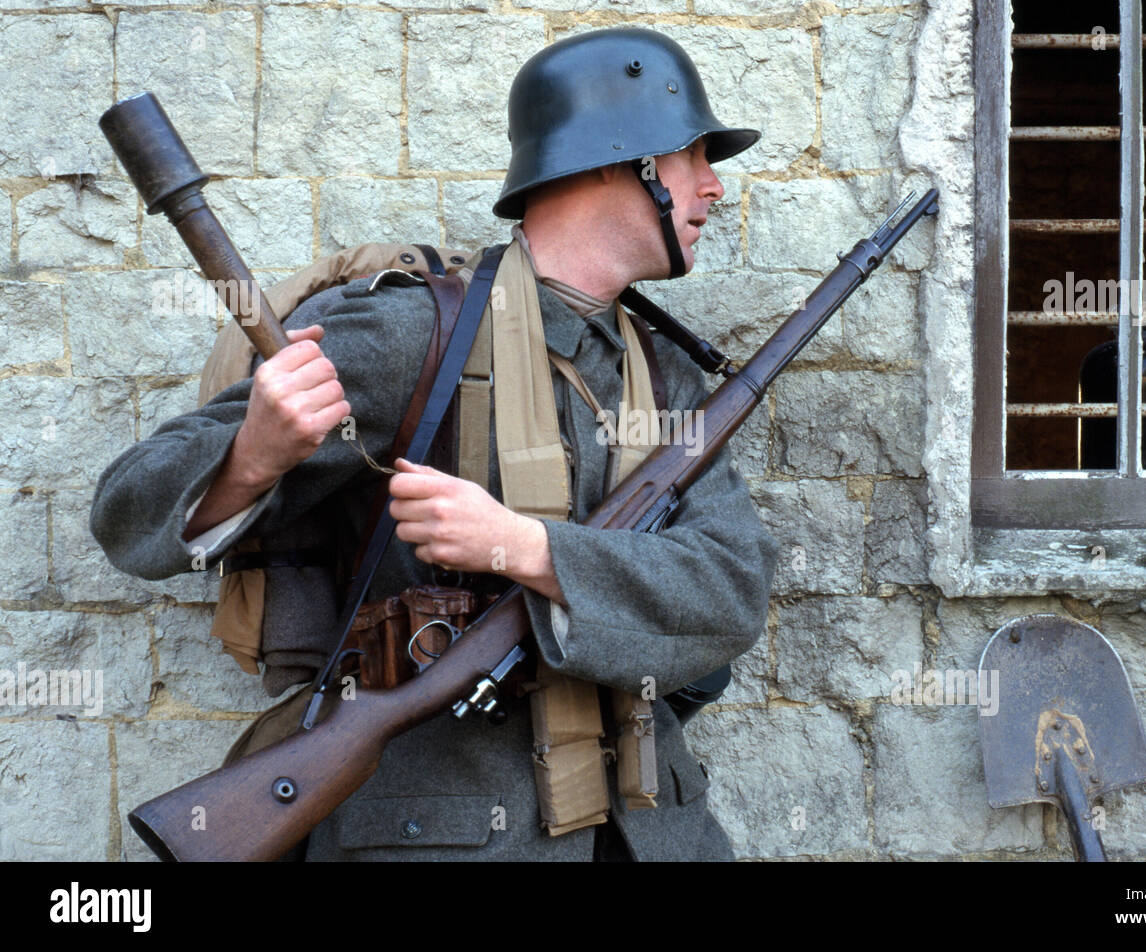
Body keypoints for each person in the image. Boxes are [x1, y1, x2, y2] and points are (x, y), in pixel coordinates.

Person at [91, 26, 778, 861]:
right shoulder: (413, 335)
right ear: (615, 161)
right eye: (691, 156)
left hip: (648, 833)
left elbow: (731, 588)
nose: (711, 187)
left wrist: (520, 546)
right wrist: (253, 455)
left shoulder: (667, 374)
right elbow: (128, 513)